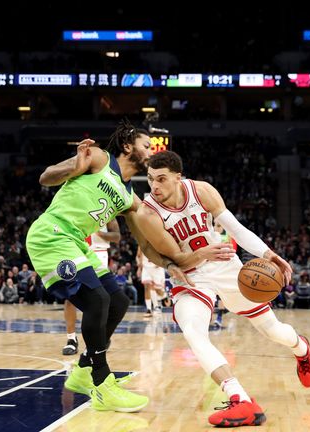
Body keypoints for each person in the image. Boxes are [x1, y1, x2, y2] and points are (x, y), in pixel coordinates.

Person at [26, 121, 227, 413]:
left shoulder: (129, 196)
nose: (151, 151)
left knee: (118, 301)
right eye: (147, 145)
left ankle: (83, 370)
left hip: (77, 244)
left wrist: (170, 263)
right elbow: (46, 177)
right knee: (97, 300)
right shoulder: (97, 158)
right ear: (128, 146)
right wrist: (74, 167)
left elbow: (144, 244)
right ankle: (101, 382)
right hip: (52, 236)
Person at [133, 151, 310, 427]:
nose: (154, 187)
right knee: (193, 332)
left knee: (273, 331)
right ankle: (240, 399)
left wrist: (269, 254)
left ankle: (301, 349)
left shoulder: (202, 191)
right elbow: (176, 258)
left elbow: (237, 229)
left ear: (178, 178)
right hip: (191, 275)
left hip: (224, 266)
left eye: (161, 179)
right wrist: (200, 255)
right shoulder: (148, 212)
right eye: (150, 179)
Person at [63, 220, 121, 356]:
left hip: (98, 253)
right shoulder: (72, 207)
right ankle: (71, 339)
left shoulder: (105, 209)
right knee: (70, 296)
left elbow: (117, 237)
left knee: (100, 299)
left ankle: (100, 337)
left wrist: (98, 232)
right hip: (75, 253)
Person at [137, 245, 166, 317]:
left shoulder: (157, 239)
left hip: (156, 267)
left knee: (157, 289)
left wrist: (161, 261)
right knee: (147, 287)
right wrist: (139, 268)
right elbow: (139, 255)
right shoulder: (142, 241)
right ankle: (149, 309)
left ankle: (164, 297)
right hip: (146, 267)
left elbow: (164, 253)